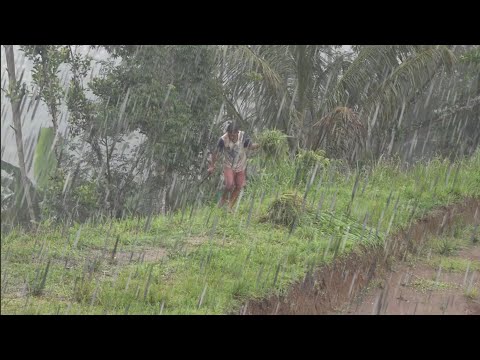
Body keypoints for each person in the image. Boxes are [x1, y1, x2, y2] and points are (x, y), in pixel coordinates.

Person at [208, 121, 260, 210]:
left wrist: (261, 144)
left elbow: (251, 146)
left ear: (237, 132)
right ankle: (222, 200)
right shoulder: (223, 140)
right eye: (230, 135)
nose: (231, 137)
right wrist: (212, 166)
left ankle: (229, 207)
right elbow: (215, 153)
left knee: (239, 186)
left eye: (233, 135)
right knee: (229, 184)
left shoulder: (243, 137)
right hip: (229, 165)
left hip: (241, 165)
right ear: (227, 133)